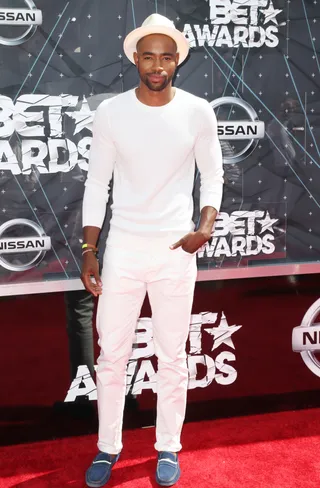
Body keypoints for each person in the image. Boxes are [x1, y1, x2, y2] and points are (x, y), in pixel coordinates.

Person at [81, 13, 224, 487]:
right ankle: (108, 447)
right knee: (111, 356)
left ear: (177, 61)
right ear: (136, 59)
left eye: (166, 56)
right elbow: (97, 181)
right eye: (149, 56)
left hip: (175, 252)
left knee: (172, 356)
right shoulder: (112, 113)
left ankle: (168, 447)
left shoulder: (198, 111)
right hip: (121, 249)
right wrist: (89, 248)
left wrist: (203, 227)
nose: (157, 64)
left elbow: (214, 176)